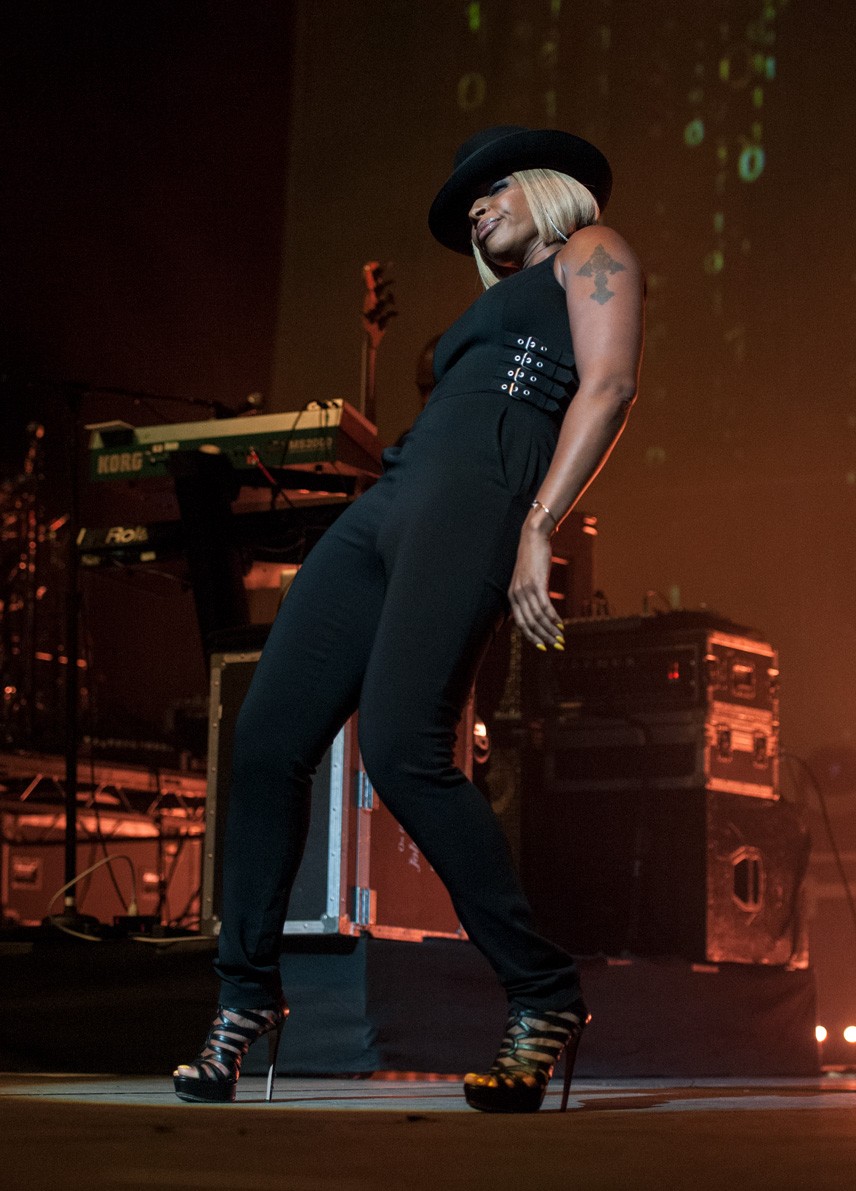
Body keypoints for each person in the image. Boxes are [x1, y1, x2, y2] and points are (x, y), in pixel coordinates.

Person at [173, 124, 645, 1112]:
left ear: (544, 187)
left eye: (492, 190)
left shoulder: (592, 252)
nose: (475, 209)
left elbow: (608, 386)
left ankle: (542, 991)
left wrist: (539, 524)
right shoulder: (489, 306)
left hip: (479, 499)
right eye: (470, 201)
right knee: (264, 738)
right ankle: (245, 995)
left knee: (401, 748)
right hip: (391, 499)